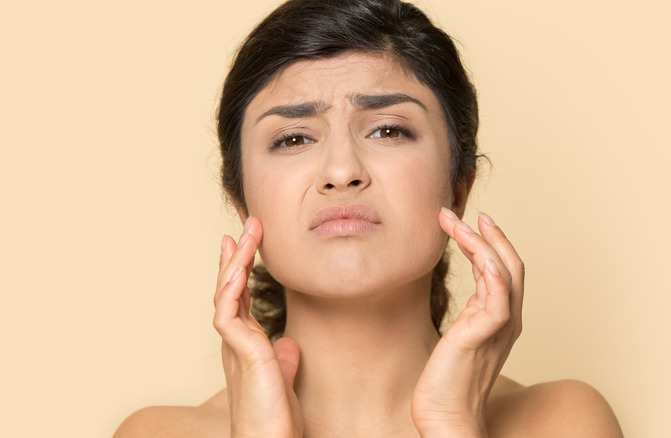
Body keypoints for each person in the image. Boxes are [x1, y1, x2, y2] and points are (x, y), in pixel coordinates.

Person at [114, 0, 623, 436]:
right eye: (293, 138)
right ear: (242, 203)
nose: (341, 171)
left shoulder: (562, 423)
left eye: (387, 130)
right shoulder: (157, 433)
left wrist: (452, 424)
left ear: (459, 185)